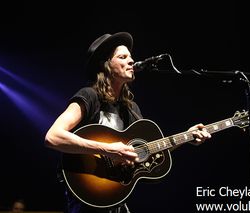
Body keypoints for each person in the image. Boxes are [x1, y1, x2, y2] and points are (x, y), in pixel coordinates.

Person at [44, 32, 211, 213]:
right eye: (122, 57)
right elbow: (53, 137)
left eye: (131, 57)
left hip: (116, 198)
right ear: (105, 64)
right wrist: (108, 149)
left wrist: (187, 136)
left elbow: (146, 150)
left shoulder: (131, 109)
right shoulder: (89, 96)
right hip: (86, 197)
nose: (131, 61)